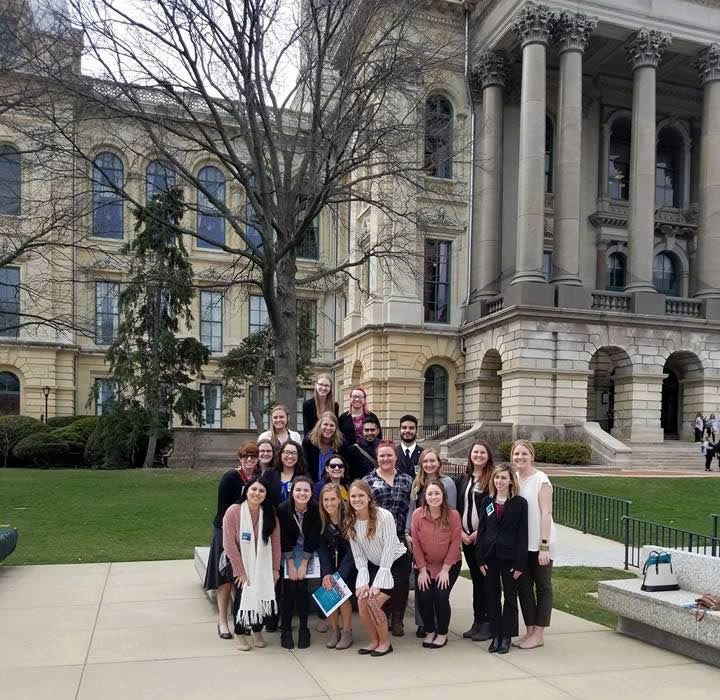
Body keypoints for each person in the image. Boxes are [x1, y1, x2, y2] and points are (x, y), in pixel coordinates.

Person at [345, 480, 409, 657]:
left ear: (369, 497)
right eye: (353, 496)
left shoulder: (384, 516)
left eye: (361, 495)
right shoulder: (351, 520)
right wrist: (363, 582)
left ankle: (385, 643)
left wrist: (378, 584)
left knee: (374, 601)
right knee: (362, 600)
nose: (357, 499)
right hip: (375, 564)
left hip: (396, 563)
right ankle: (374, 641)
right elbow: (359, 556)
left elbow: (389, 549)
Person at [204, 441, 260, 639]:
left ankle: (241, 619)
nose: (250, 459)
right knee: (225, 577)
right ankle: (222, 621)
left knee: (242, 577)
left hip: (247, 535)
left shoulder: (258, 479)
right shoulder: (230, 478)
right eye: (246, 456)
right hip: (225, 531)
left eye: (253, 456)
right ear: (240, 458)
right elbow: (223, 511)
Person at [221, 476, 281, 651]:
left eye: (262, 491)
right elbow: (228, 544)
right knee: (244, 593)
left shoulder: (270, 515)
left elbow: (276, 544)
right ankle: (240, 632)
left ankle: (256, 630)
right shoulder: (234, 511)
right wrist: (240, 571)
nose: (257, 493)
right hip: (239, 561)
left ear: (266, 495)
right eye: (254, 489)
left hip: (263, 563)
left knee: (261, 593)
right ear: (246, 490)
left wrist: (275, 569)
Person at [475, 465, 528, 655]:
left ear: (511, 481)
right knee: (492, 597)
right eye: (497, 478)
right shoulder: (486, 501)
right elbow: (482, 531)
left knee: (510, 598)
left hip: (510, 558)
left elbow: (523, 535)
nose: (499, 481)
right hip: (489, 557)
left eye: (504, 478)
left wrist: (520, 563)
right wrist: (480, 558)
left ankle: (506, 636)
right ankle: (496, 634)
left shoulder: (520, 503)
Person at [363, 440, 413, 636]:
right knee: (380, 579)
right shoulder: (368, 481)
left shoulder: (407, 480)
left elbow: (411, 509)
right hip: (377, 539)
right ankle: (381, 615)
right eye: (382, 455)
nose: (385, 458)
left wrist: (409, 533)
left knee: (400, 580)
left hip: (399, 538)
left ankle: (398, 617)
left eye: (389, 455)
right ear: (377, 458)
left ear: (395, 457)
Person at [406, 447, 457, 636]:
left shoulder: (448, 483)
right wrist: (407, 531)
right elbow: (412, 509)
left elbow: (450, 511)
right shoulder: (417, 483)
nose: (429, 464)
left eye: (432, 461)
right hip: (418, 537)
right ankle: (424, 623)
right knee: (422, 584)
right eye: (425, 462)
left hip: (440, 540)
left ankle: (437, 624)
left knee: (438, 590)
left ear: (439, 463)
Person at [512, 440, 556, 650]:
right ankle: (529, 630)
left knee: (543, 587)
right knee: (523, 587)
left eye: (524, 454)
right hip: (521, 545)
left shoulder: (541, 480)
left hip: (540, 544)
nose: (520, 457)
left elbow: (546, 513)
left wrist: (544, 546)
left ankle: (539, 633)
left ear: (532, 456)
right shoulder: (514, 479)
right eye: (516, 454)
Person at [411, 481, 462, 649]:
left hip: (449, 565)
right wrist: (422, 570)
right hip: (425, 565)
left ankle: (442, 633)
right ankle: (430, 631)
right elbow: (416, 544)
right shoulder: (418, 514)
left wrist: (446, 569)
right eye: (430, 494)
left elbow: (455, 543)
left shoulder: (453, 515)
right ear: (425, 497)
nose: (433, 497)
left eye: (437, 493)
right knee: (425, 596)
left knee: (440, 596)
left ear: (443, 496)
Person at [455, 441, 494, 641]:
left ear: (488, 456)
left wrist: (479, 532)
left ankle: (488, 622)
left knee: (486, 580)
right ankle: (477, 621)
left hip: (484, 539)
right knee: (476, 581)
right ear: (470, 455)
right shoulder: (464, 478)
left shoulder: (492, 479)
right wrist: (461, 532)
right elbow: (458, 507)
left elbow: (493, 510)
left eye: (482, 452)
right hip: (466, 538)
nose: (478, 455)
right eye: (475, 452)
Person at [277, 476, 321, 649]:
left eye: (306, 490)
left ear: (311, 493)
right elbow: (284, 537)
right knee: (288, 588)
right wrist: (290, 564)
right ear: (292, 491)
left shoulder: (316, 509)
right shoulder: (283, 509)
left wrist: (303, 563)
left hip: (307, 552)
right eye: (298, 490)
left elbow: (313, 537)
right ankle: (286, 629)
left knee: (302, 588)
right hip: (288, 551)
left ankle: (304, 628)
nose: (302, 493)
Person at [317, 483, 355, 649]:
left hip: (348, 565)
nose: (329, 503)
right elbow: (321, 548)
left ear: (340, 500)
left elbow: (352, 551)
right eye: (326, 500)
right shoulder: (321, 518)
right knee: (328, 590)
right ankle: (335, 630)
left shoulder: (349, 518)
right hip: (330, 564)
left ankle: (347, 631)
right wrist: (327, 573)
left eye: (333, 499)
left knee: (341, 593)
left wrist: (339, 575)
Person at [303, 411, 346, 483]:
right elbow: (305, 467)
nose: (328, 428)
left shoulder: (341, 444)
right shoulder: (309, 442)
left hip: (334, 486)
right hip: (312, 484)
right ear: (319, 426)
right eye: (325, 424)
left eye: (332, 425)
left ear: (336, 428)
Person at [264, 440, 307, 506]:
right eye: (287, 452)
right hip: (271, 514)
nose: (290, 456)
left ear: (299, 456)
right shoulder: (269, 473)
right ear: (281, 454)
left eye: (294, 453)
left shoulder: (304, 476)